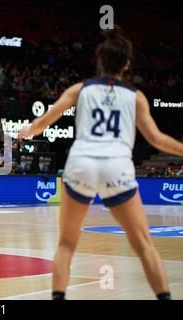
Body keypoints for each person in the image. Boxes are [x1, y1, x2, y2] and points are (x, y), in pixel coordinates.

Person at [18, 26, 182, 300]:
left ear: (99, 61)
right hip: (116, 165)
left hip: (81, 163)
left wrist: (28, 131)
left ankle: (58, 297)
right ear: (127, 64)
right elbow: (156, 139)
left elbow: (45, 121)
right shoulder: (136, 96)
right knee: (143, 244)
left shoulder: (80, 89)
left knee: (67, 244)